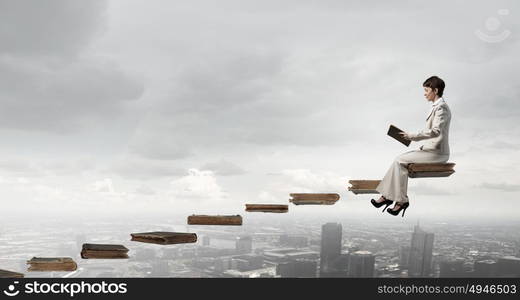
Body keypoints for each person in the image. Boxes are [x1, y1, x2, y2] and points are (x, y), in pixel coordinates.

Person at [371, 76, 451, 217]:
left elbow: (435, 131)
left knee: (399, 161)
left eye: (426, 90)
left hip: (437, 153)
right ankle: (388, 197)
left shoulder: (442, 108)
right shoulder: (436, 107)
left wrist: (412, 136)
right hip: (430, 150)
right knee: (398, 160)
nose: (424, 93)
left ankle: (399, 200)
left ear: (435, 90)